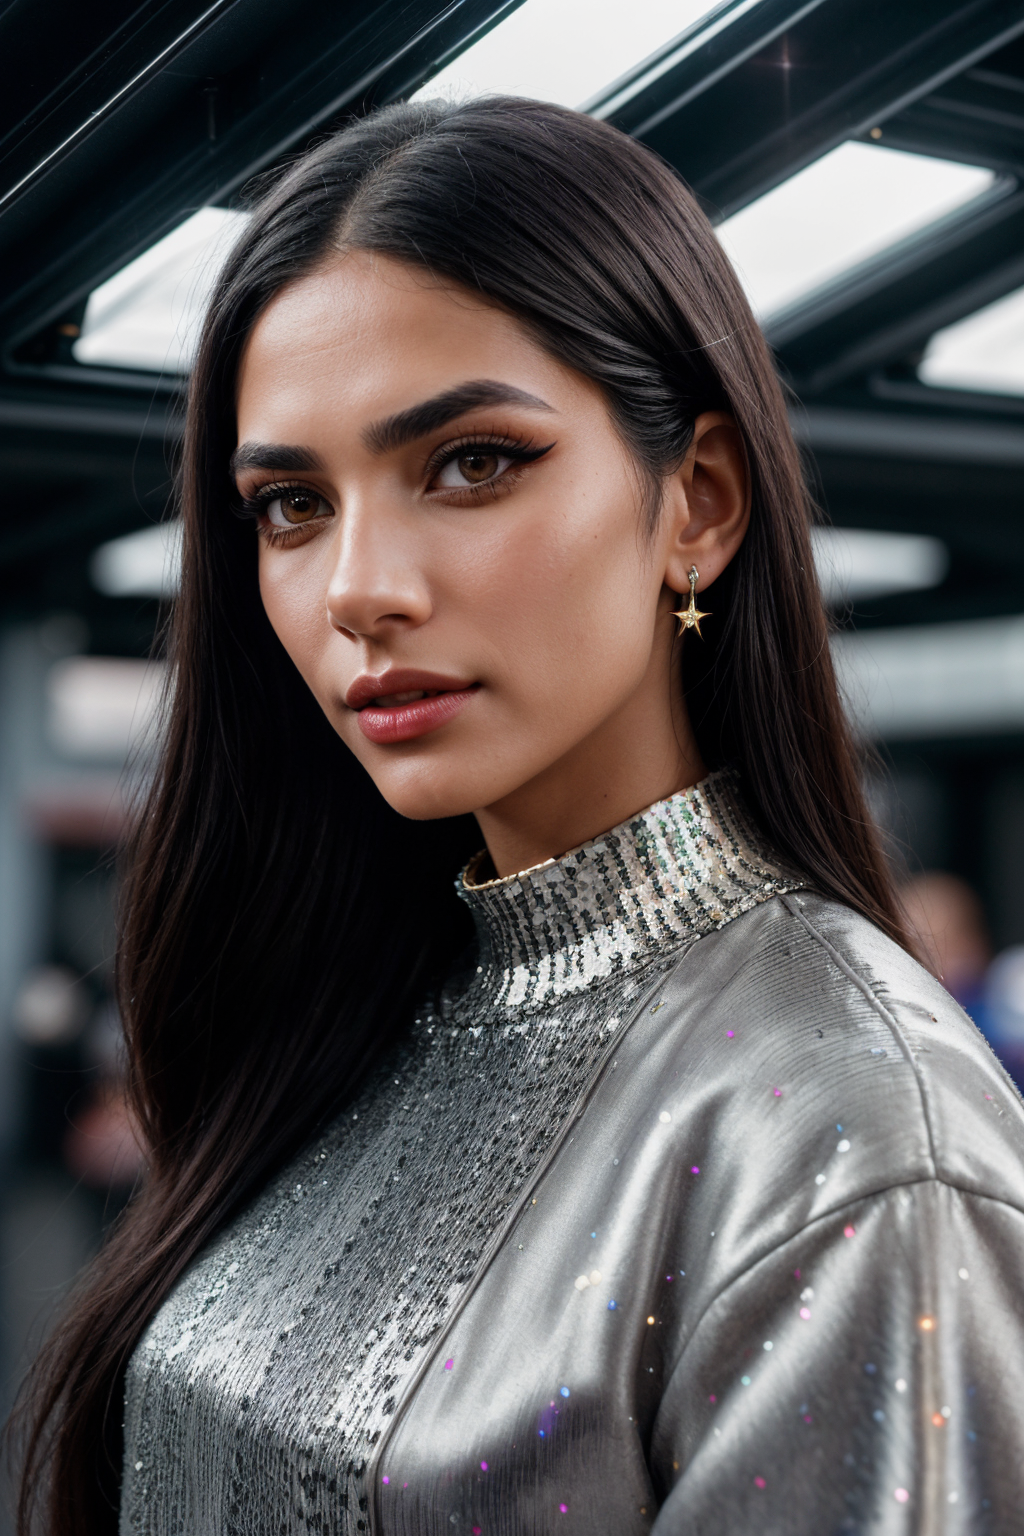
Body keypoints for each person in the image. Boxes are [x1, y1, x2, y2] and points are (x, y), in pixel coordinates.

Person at [16, 97, 1024, 1535]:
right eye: (294, 503)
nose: (359, 586)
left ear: (701, 504)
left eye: (472, 461)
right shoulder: (362, 1001)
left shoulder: (855, 1144)